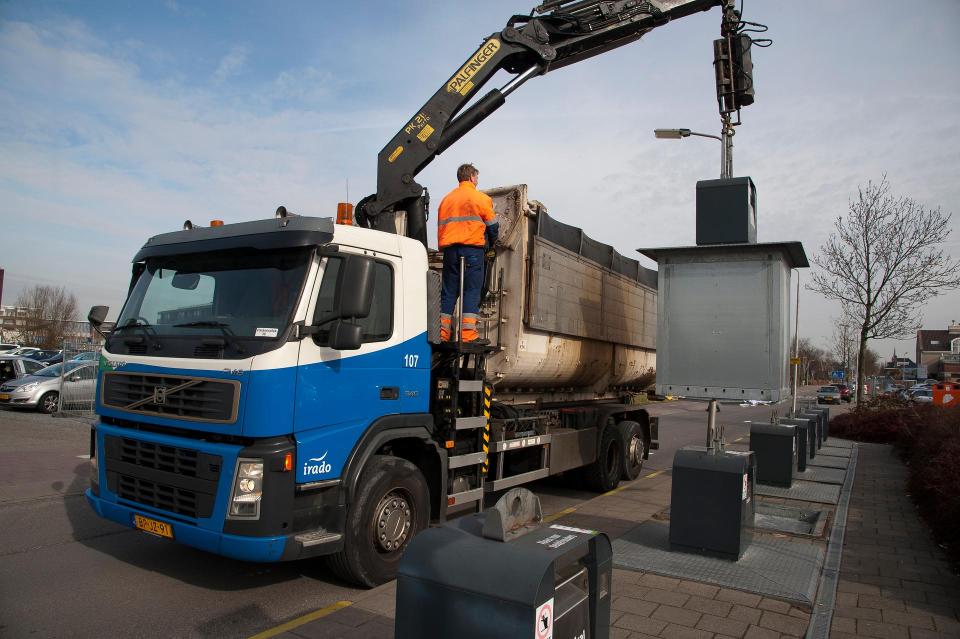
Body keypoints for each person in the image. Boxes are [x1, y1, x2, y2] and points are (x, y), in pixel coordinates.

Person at [437, 163, 499, 342]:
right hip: (472, 250)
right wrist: (493, 240)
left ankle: (442, 334)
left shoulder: (446, 200)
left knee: (448, 292)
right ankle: (468, 335)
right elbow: (493, 225)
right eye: (477, 177)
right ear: (472, 177)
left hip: (450, 251)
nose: (477, 181)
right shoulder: (480, 198)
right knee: (472, 290)